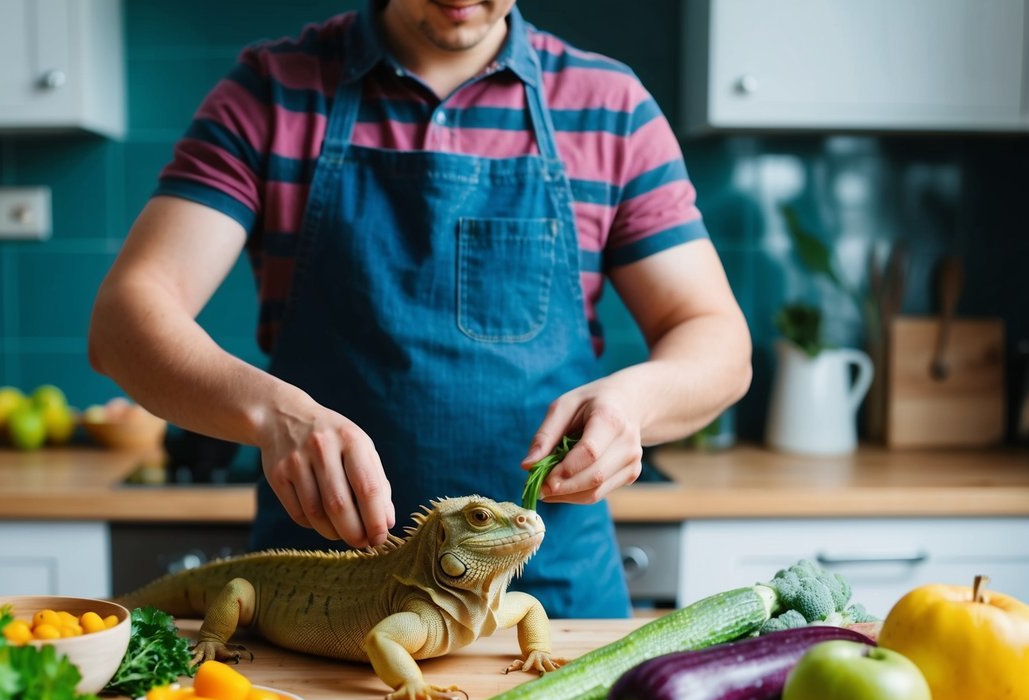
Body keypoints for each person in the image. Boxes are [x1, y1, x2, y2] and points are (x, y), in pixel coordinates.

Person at [88, 0, 752, 619]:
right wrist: (270, 414)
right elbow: (124, 319)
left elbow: (715, 339)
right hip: (325, 596)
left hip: (550, 596)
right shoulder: (274, 90)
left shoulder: (609, 107)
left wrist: (634, 404)